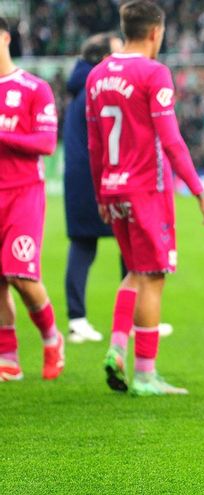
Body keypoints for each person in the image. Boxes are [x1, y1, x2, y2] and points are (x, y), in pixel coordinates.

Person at [86, 0, 204, 396]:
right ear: (155, 32)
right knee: (154, 276)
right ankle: (145, 375)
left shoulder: (97, 74)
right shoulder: (153, 72)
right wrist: (200, 193)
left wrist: (100, 192)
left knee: (134, 270)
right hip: (147, 187)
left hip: (112, 185)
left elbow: (94, 142)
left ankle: (116, 349)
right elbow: (171, 139)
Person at [63, 33, 173, 344]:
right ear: (100, 57)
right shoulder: (97, 87)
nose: (121, 55)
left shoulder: (84, 86)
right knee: (96, 246)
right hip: (100, 178)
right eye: (115, 50)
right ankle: (87, 320)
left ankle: (95, 320)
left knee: (96, 246)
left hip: (92, 178)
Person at [0, 16, 65, 382]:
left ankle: (52, 339)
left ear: (6, 38)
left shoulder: (33, 88)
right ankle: (8, 357)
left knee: (21, 275)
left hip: (23, 192)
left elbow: (44, 143)